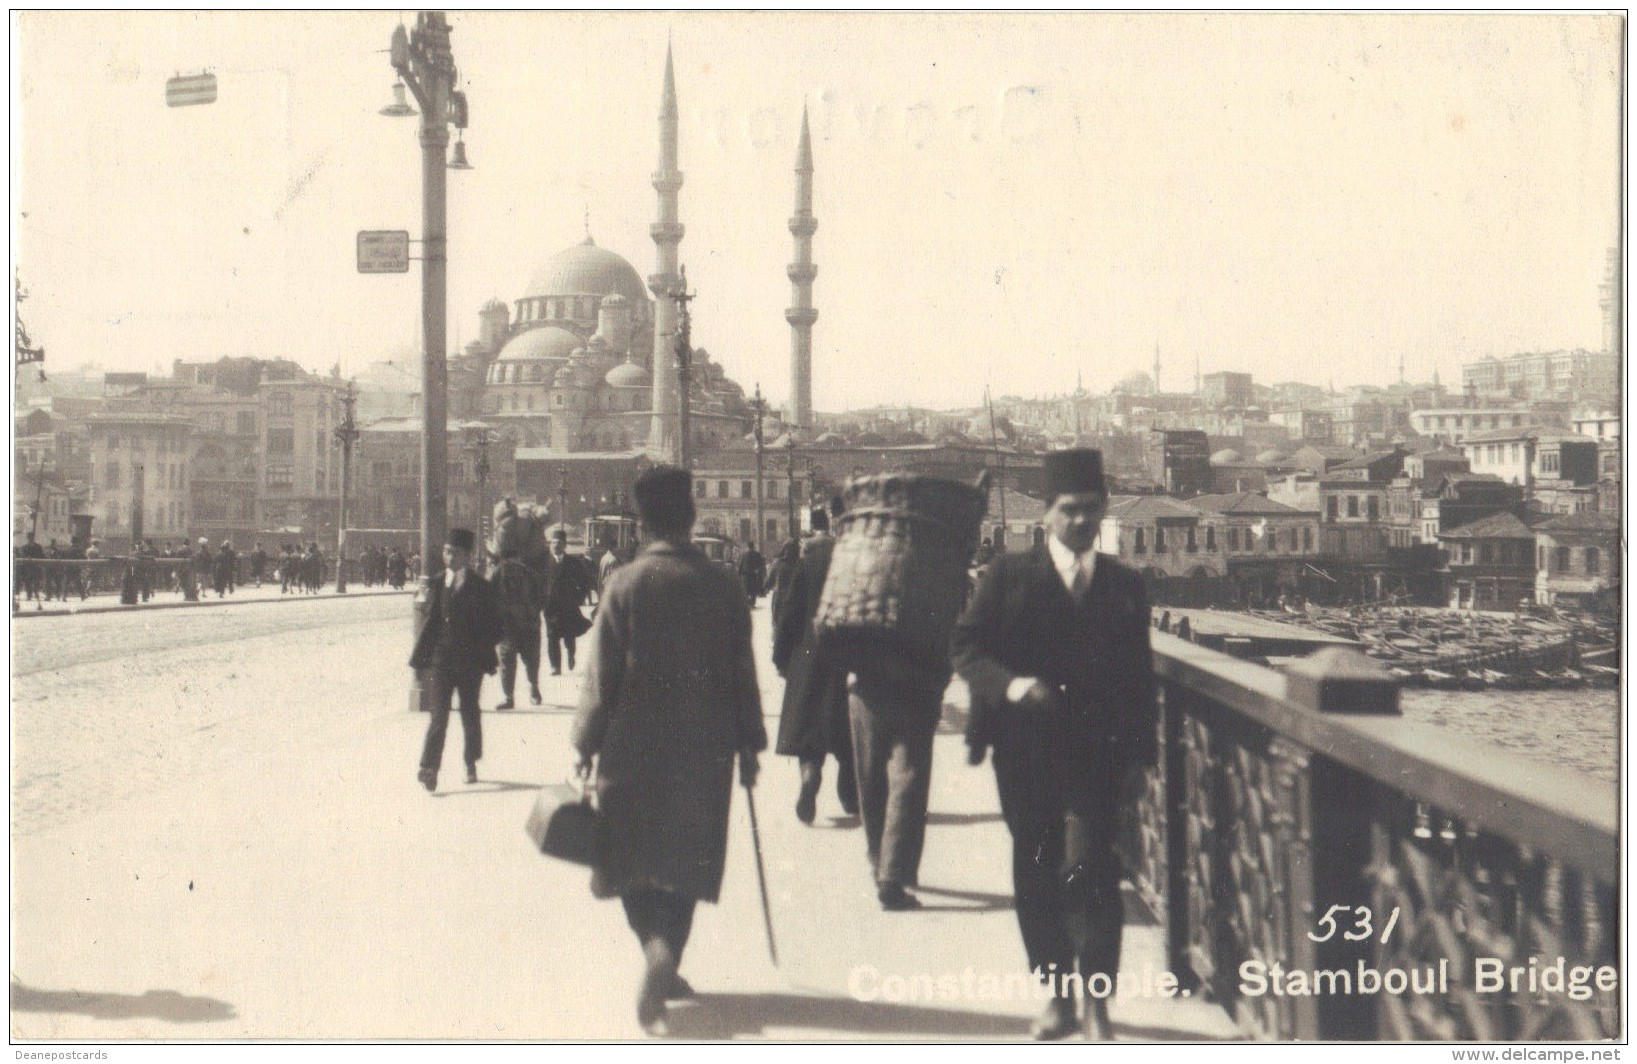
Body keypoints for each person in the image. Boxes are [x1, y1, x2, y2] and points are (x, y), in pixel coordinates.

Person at [951, 448, 1158, 1042]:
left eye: (1091, 510)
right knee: (1037, 871)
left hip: (1098, 752)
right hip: (1025, 751)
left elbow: (1140, 676)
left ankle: (1096, 1001)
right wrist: (1012, 685)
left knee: (1093, 867)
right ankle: (1058, 995)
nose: (1079, 521)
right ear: (1045, 514)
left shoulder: (1123, 585)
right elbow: (965, 648)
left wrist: (1143, 756)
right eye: (1068, 510)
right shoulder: (1008, 577)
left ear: (1104, 512)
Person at [572, 466, 766, 1037]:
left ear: (641, 524)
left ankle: (654, 950)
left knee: (629, 857)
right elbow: (742, 674)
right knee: (687, 860)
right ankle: (667, 955)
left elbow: (600, 676)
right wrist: (750, 744)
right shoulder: (724, 585)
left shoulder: (625, 584)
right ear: (690, 519)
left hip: (630, 747)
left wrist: (584, 745)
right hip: (704, 750)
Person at [773, 502, 857, 825]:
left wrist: (781, 656)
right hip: (845, 653)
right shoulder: (851, 559)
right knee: (846, 730)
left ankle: (809, 779)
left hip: (808, 656)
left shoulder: (807, 562)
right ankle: (850, 793)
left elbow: (789, 614)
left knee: (809, 734)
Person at [410, 528, 505, 792]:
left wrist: (481, 650)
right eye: (446, 551)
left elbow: (496, 627)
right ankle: (429, 769)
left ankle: (470, 761)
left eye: (455, 552)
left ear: (467, 555)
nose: (449, 557)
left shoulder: (481, 587)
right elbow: (431, 623)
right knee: (438, 715)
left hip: (470, 664)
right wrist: (420, 660)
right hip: (442, 662)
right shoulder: (438, 582)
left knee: (469, 712)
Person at [489, 543, 543, 709]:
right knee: (507, 660)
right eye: (509, 558)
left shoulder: (530, 574)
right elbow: (489, 596)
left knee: (531, 660)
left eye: (515, 558)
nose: (512, 562)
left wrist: (532, 611)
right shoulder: (497, 573)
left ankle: (533, 686)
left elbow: (541, 596)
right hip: (507, 626)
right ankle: (509, 696)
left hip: (528, 624)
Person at [542, 529, 592, 675]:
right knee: (552, 636)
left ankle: (571, 655)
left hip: (568, 607)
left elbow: (585, 582)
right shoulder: (545, 562)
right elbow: (539, 583)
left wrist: (578, 598)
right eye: (553, 542)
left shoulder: (573, 563)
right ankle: (555, 666)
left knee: (569, 635)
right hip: (550, 607)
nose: (555, 545)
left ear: (565, 545)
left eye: (558, 543)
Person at [763, 539, 801, 622]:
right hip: (797, 602)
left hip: (780, 600)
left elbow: (768, 581)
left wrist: (765, 587)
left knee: (778, 627)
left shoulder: (777, 563)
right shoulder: (801, 564)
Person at [736, 539, 767, 609]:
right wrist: (760, 573)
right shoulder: (757, 554)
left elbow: (740, 566)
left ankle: (748, 603)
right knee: (753, 591)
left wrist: (739, 575)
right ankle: (752, 603)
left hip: (745, 575)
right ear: (753, 546)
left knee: (746, 590)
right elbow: (761, 565)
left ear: (748, 547)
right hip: (754, 575)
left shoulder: (743, 555)